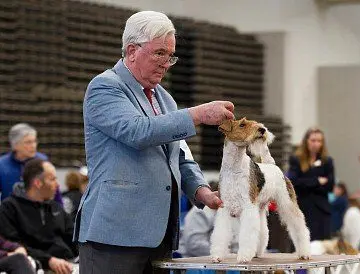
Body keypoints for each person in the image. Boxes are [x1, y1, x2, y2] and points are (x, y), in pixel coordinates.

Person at [75, 11, 234, 274]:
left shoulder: (165, 98)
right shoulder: (105, 87)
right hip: (114, 237)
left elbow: (180, 155)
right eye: (159, 53)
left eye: (170, 56)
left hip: (157, 238)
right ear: (132, 50)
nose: (166, 63)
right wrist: (198, 114)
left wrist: (201, 191)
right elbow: (137, 131)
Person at [0, 159, 77, 274]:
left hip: (68, 264)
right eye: (52, 179)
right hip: (34, 266)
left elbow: (73, 237)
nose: (57, 184)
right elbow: (15, 246)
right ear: (38, 183)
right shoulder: (9, 208)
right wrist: (48, 260)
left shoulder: (56, 208)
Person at [288, 127, 335, 241]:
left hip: (321, 211)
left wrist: (306, 182)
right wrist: (317, 181)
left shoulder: (327, 161)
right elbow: (293, 182)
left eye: (319, 141)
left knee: (322, 247)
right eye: (313, 140)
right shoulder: (296, 159)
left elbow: (330, 186)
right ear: (306, 141)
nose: (316, 144)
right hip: (303, 208)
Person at [0, 123, 63, 204]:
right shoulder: (2, 165)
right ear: (15, 145)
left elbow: (55, 190)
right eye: (28, 142)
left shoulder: (43, 162)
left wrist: (61, 212)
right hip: (11, 213)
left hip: (38, 211)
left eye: (34, 141)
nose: (33, 145)